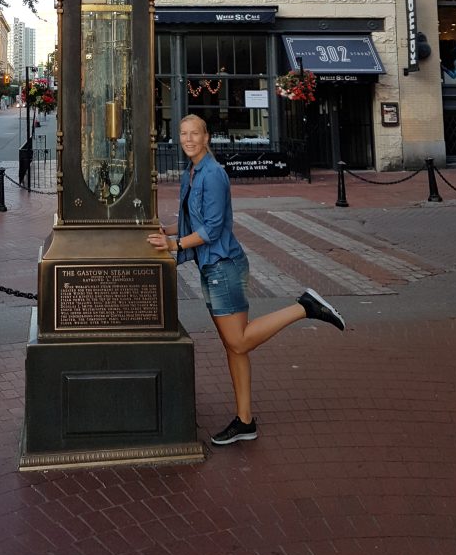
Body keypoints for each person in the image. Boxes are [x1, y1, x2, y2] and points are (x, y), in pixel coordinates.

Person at [147, 113, 346, 446]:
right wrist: (165, 231)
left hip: (224, 266)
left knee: (238, 342)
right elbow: (193, 221)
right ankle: (245, 420)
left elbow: (210, 230)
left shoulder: (213, 175)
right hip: (213, 266)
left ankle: (305, 307)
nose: (188, 139)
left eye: (194, 133)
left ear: (206, 136)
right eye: (183, 134)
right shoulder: (191, 173)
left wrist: (175, 244)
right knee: (233, 346)